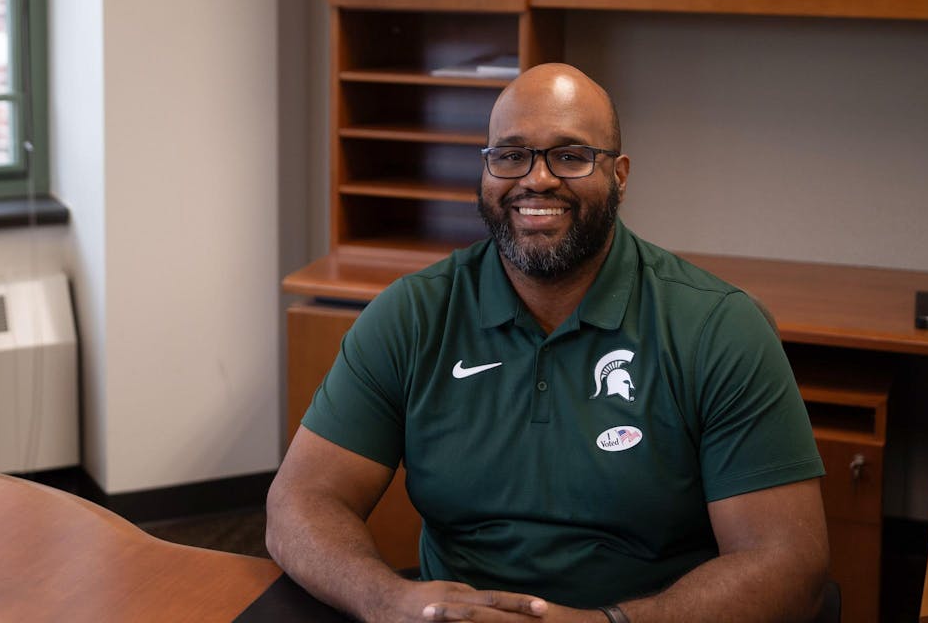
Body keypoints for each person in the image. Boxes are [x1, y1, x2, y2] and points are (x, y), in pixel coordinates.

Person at [266, 63, 829, 623]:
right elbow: (300, 502)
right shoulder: (413, 315)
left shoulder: (716, 326)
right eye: (511, 156)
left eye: (569, 155)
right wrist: (385, 600)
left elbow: (788, 562)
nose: (536, 179)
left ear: (621, 175)